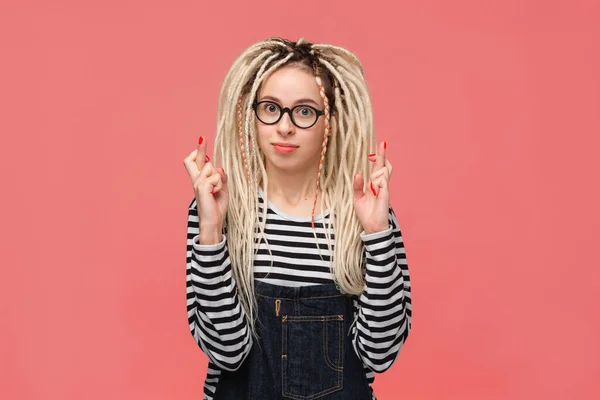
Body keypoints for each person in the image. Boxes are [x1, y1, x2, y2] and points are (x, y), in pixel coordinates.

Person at [183, 37, 412, 400]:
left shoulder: (366, 215)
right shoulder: (219, 210)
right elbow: (226, 352)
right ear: (251, 116)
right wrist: (211, 231)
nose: (284, 127)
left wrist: (377, 235)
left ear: (331, 123)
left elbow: (380, 354)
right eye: (271, 108)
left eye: (304, 111)